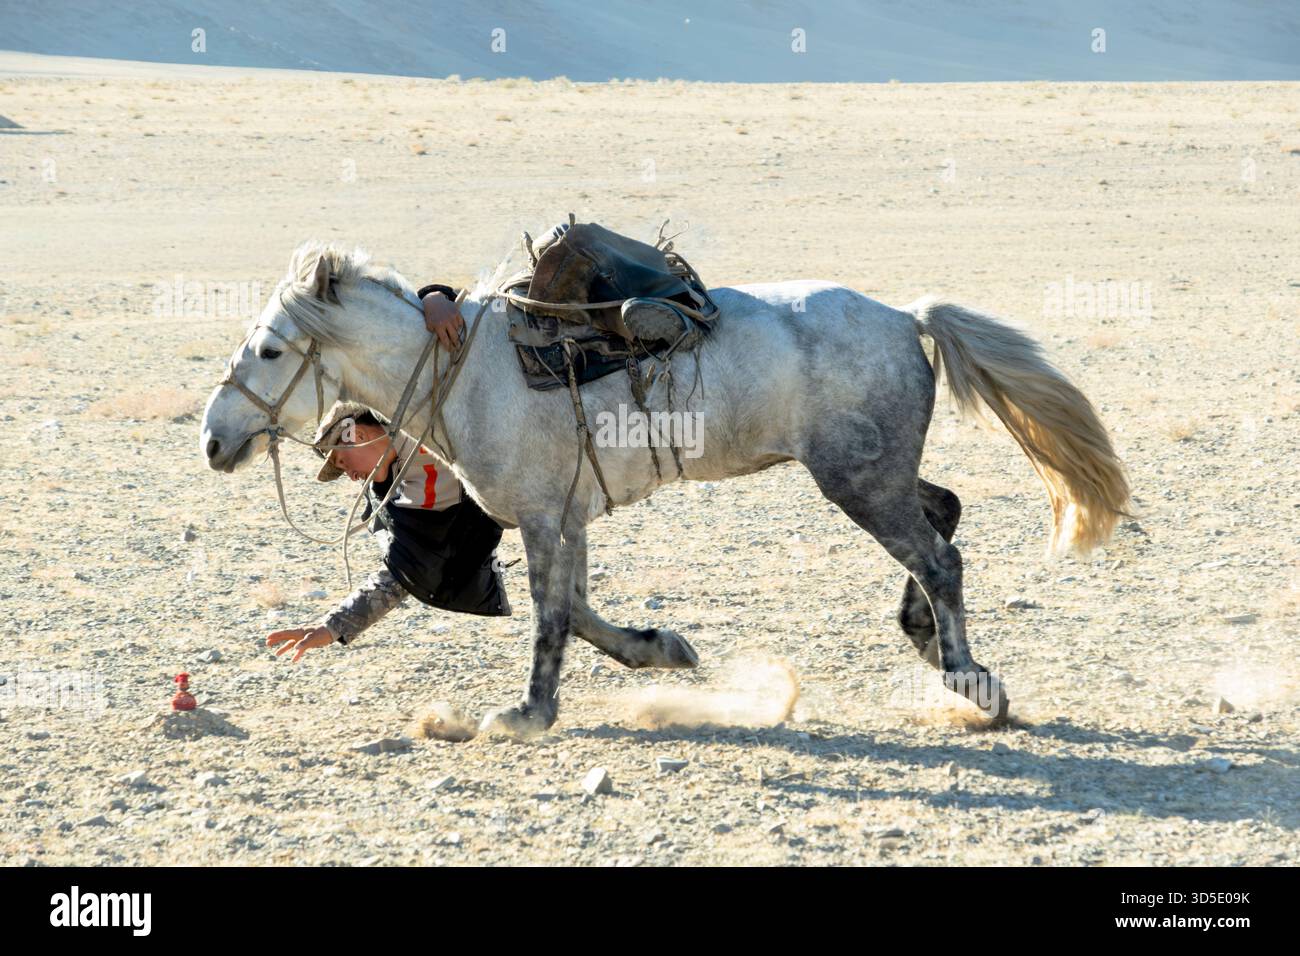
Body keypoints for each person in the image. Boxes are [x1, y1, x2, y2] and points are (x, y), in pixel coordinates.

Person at [266, 392, 511, 662]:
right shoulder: (404, 496)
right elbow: (404, 569)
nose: (352, 476)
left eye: (343, 462)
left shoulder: (428, 416)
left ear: (356, 435)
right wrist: (333, 626)